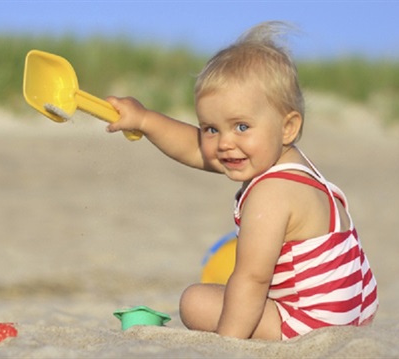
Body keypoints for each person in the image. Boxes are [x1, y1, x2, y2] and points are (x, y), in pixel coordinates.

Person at [105, 21, 378, 341]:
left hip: (310, 325)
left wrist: (227, 343)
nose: (224, 143)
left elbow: (252, 280)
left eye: (241, 127)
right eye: (211, 128)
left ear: (288, 127)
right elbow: (195, 149)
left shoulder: (271, 194)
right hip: (356, 310)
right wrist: (145, 120)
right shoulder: (290, 163)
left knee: (195, 302)